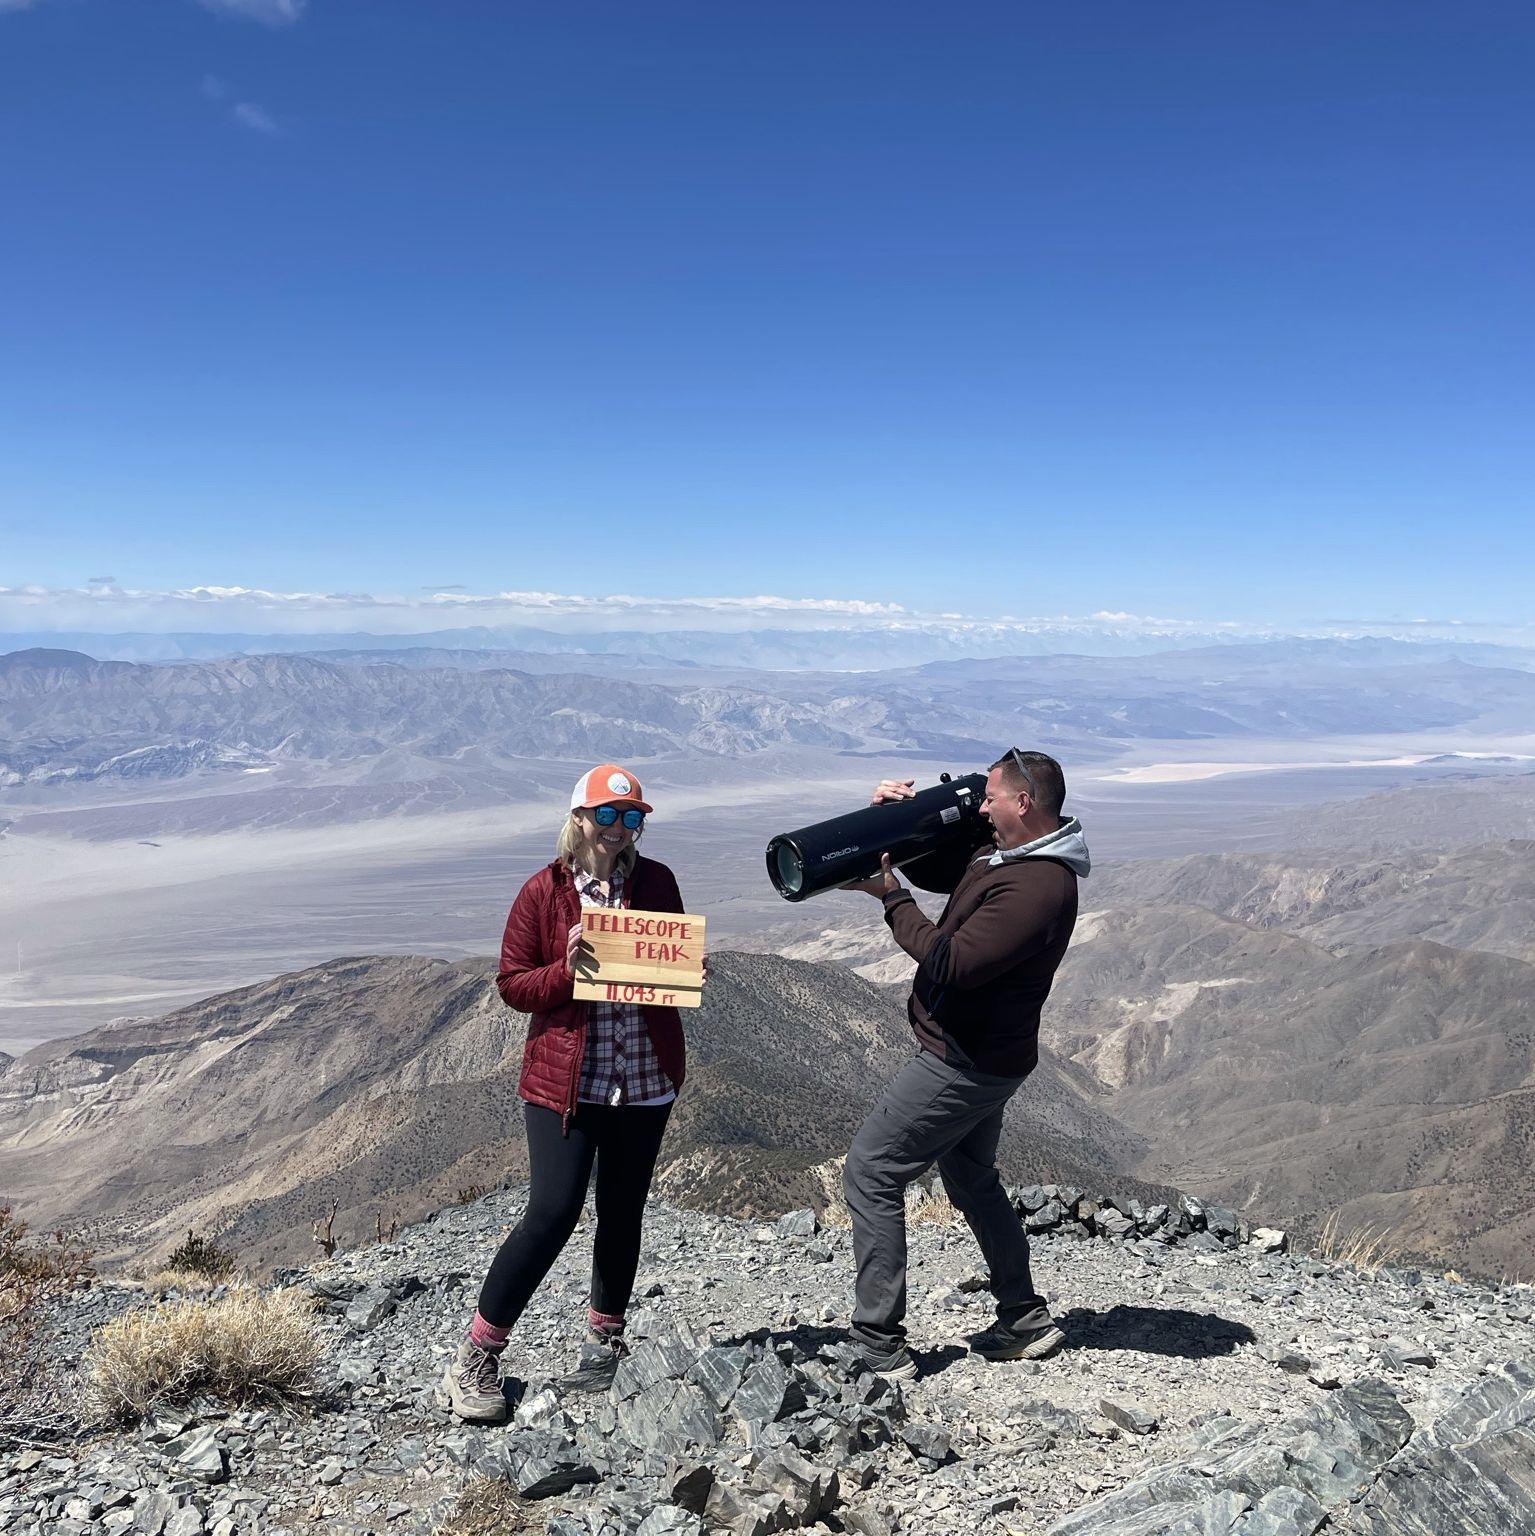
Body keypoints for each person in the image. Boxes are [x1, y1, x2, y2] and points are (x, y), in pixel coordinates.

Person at [442, 763, 690, 1422]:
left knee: (622, 1214)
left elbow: (663, 968)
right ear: (578, 818)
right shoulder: (541, 893)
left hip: (641, 1079)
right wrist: (565, 970)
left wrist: (685, 970)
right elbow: (513, 985)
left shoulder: (656, 881)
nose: (617, 829)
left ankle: (604, 1345)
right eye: (606, 816)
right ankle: (478, 1353)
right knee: (551, 1213)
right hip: (566, 1085)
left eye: (631, 817)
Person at [840, 748, 1090, 1379]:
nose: (981, 805)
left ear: (1023, 804)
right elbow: (951, 866)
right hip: (987, 1055)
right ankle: (1022, 1318)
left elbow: (950, 961)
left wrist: (889, 898)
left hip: (963, 1060)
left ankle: (879, 1341)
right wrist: (892, 823)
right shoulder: (1007, 854)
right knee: (972, 1180)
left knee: (872, 1170)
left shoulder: (1039, 885)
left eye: (991, 798)